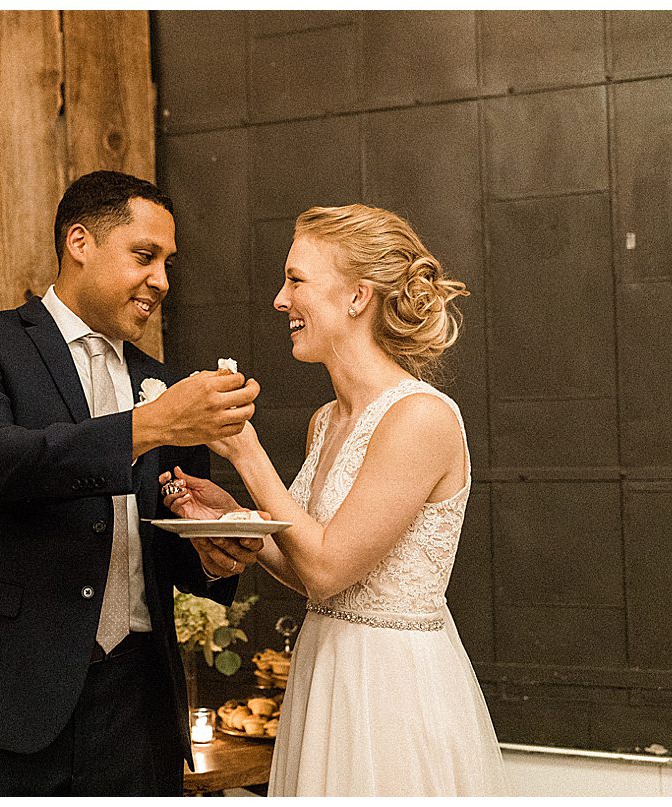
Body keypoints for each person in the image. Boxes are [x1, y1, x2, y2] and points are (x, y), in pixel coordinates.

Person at [0, 170, 263, 796]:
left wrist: (212, 550)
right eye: (144, 256)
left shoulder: (165, 383)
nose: (161, 280)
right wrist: (148, 424)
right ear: (80, 242)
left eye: (166, 262)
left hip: (139, 706)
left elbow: (172, 555)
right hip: (5, 699)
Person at [161, 204, 508, 795]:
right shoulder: (327, 421)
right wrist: (227, 514)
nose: (279, 299)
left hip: (389, 691)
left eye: (296, 280)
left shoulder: (419, 417)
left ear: (357, 297)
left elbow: (326, 570)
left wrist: (244, 452)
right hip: (325, 671)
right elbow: (308, 564)